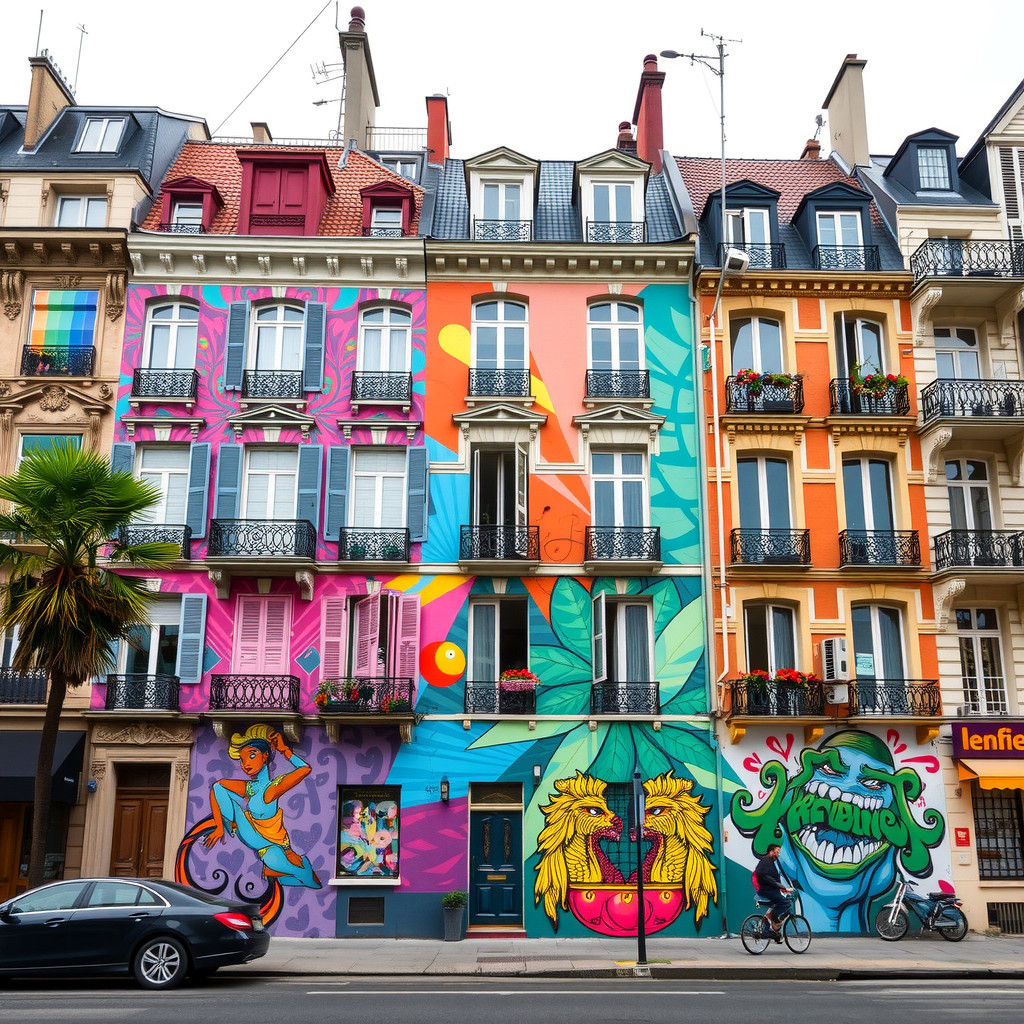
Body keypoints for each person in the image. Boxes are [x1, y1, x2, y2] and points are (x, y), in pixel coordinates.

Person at [755, 842, 793, 942]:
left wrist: (781, 888)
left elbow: (770, 879)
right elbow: (764, 876)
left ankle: (769, 930)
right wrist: (779, 885)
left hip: (769, 890)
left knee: (775, 906)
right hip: (767, 891)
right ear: (771, 851)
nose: (778, 854)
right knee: (786, 903)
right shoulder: (766, 860)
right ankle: (774, 921)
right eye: (777, 852)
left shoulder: (769, 862)